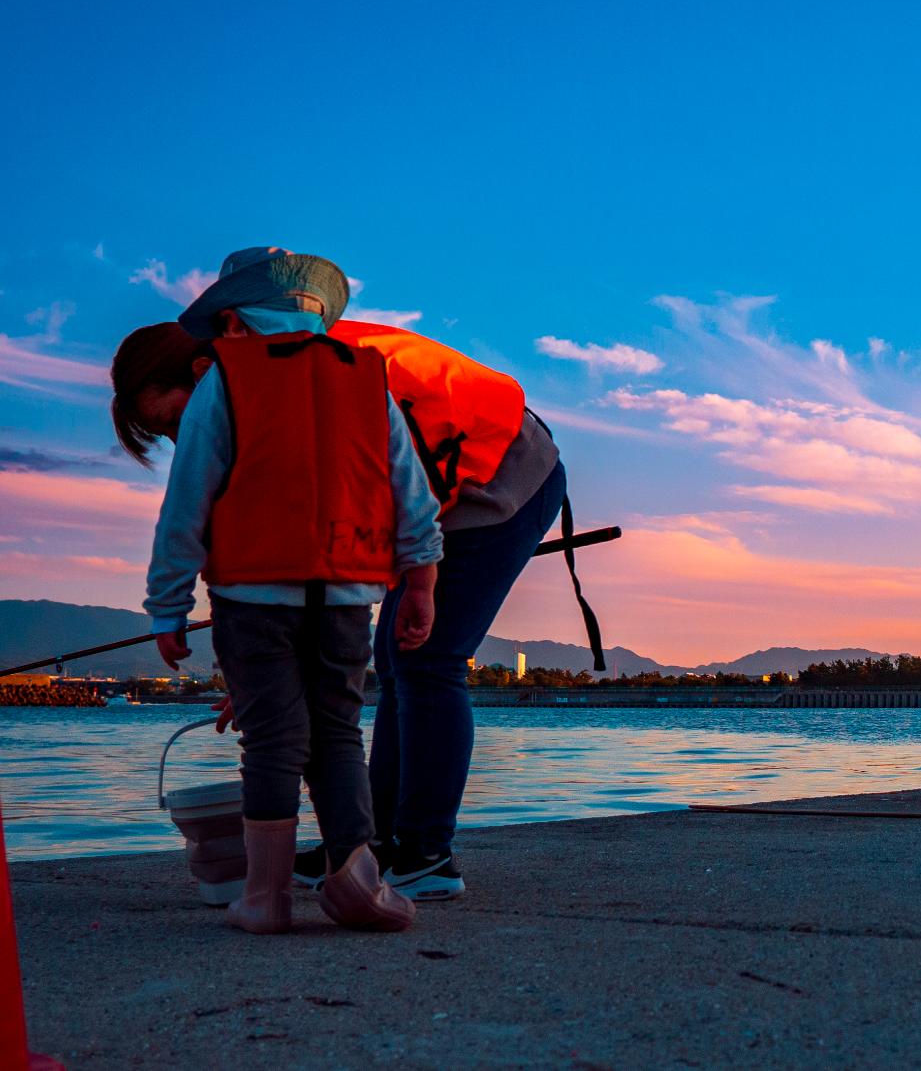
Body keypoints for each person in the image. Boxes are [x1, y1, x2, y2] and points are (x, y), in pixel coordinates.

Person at [114, 251, 583, 903]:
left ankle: (422, 853)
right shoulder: (270, 391)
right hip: (433, 498)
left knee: (428, 658)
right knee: (397, 662)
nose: (181, 438)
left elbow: (374, 510)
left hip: (502, 475)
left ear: (203, 369)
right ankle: (368, 847)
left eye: (172, 421)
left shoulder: (321, 376)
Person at [136, 247, 441, 935]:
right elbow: (413, 494)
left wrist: (167, 604)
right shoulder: (365, 378)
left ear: (233, 321)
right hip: (346, 596)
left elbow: (186, 503)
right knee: (338, 732)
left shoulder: (226, 378)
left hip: (253, 597)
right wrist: (421, 581)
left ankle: (266, 895)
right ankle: (356, 876)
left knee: (272, 738)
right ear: (317, 316)